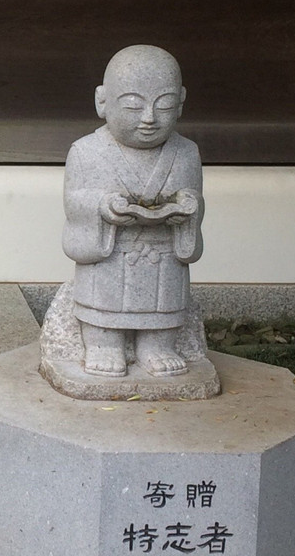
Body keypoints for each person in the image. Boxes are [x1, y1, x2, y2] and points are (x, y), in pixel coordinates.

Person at [62, 45, 204, 378]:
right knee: (103, 301)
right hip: (112, 253)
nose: (149, 118)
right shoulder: (86, 152)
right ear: (102, 101)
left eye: (164, 105)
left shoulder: (186, 153)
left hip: (163, 252)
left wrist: (188, 207)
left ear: (180, 103)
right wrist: (101, 206)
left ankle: (157, 346)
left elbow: (195, 198)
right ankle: (103, 344)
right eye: (133, 105)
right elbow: (74, 202)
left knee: (164, 300)